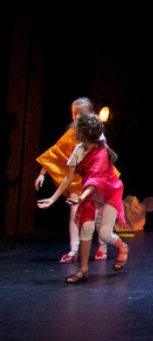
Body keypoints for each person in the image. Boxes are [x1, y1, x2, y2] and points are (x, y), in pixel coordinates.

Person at [38, 113, 130, 282]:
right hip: (90, 192)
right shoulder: (79, 149)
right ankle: (83, 269)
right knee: (86, 229)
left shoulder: (101, 153)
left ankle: (122, 247)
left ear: (83, 133)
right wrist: (52, 199)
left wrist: (81, 198)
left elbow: (95, 180)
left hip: (109, 191)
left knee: (104, 233)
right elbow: (68, 177)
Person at [34, 97, 113, 263]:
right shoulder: (72, 133)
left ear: (89, 114)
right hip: (77, 180)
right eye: (74, 113)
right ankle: (74, 249)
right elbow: (56, 152)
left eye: (81, 113)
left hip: (95, 178)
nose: (77, 116)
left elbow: (104, 156)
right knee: (75, 212)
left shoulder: (97, 135)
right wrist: (42, 173)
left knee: (98, 215)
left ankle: (102, 246)